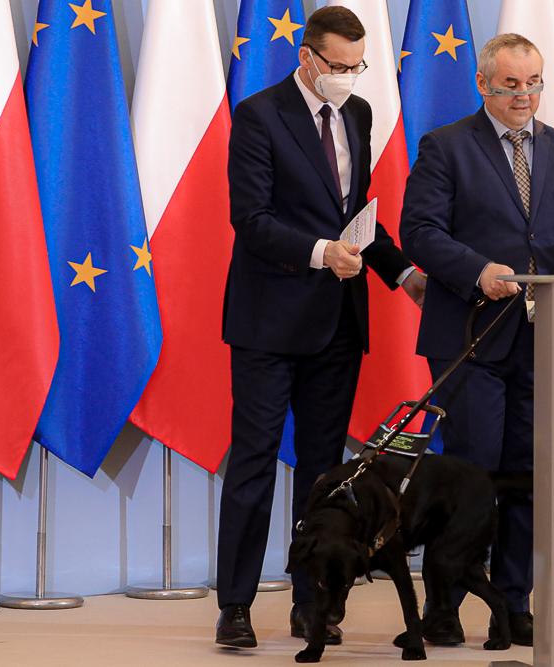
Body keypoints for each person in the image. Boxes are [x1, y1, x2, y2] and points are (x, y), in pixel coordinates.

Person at [400, 33, 554, 647]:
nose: (524, 96)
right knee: (467, 480)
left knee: (526, 477)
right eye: (510, 84)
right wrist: (477, 269)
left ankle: (513, 603)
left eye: (533, 84)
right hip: (471, 336)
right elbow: (417, 231)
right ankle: (442, 607)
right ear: (484, 84)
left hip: (542, 341)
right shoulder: (446, 147)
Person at [214, 6, 425, 649]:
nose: (348, 78)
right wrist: (319, 252)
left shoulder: (357, 115)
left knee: (324, 472)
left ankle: (312, 605)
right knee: (252, 463)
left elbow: (356, 213)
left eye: (357, 67)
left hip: (337, 323)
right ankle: (236, 605)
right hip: (269, 321)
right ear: (308, 58)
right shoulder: (258, 116)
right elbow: (250, 219)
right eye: (338, 66)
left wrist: (402, 274)